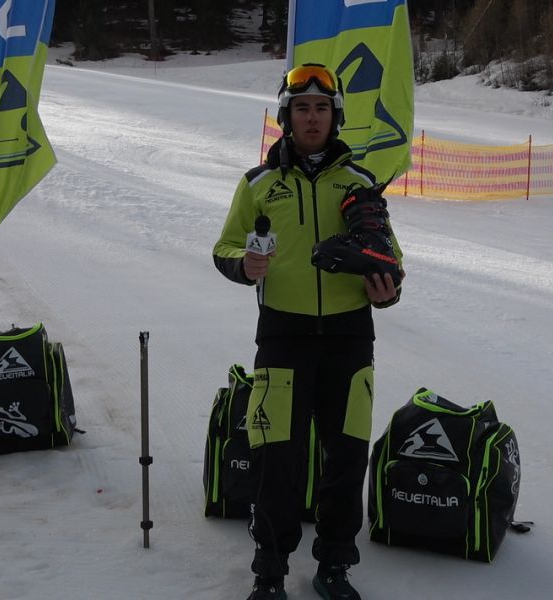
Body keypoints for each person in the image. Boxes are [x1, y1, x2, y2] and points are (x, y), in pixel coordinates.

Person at [212, 63, 405, 600]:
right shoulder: (258, 184)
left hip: (349, 336)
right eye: (302, 108)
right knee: (280, 457)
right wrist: (242, 266)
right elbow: (225, 246)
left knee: (345, 456)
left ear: (334, 116)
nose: (312, 118)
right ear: (286, 117)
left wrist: (386, 291)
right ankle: (269, 571)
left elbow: (391, 260)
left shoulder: (361, 184)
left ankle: (335, 566)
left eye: (322, 108)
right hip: (282, 335)